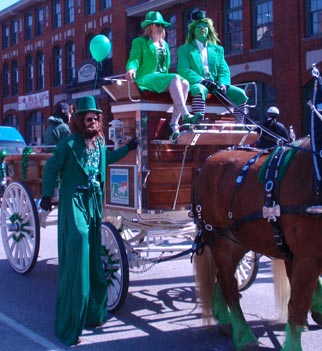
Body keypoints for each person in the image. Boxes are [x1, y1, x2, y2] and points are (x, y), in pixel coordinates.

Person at [39, 95, 138, 346]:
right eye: (88, 117)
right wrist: (47, 195)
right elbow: (51, 168)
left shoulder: (100, 143)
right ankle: (70, 321)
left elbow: (108, 160)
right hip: (74, 201)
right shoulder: (69, 144)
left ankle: (94, 314)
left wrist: (129, 148)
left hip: (94, 201)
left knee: (94, 255)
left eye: (95, 117)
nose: (93, 121)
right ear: (79, 120)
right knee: (81, 244)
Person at [125, 11, 201, 142]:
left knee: (185, 84)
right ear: (150, 27)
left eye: (162, 25)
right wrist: (131, 68)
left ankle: (174, 124)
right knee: (175, 78)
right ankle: (185, 115)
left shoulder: (165, 45)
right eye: (157, 24)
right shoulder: (140, 42)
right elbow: (134, 59)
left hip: (161, 78)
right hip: (146, 77)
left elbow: (165, 68)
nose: (160, 27)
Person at [177, 10, 248, 124]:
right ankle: (199, 123)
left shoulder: (218, 50)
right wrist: (201, 80)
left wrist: (223, 84)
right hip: (197, 84)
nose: (203, 28)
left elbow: (223, 70)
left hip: (216, 85)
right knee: (200, 89)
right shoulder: (185, 49)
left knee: (241, 94)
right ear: (193, 31)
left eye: (205, 26)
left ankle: (240, 124)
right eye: (199, 26)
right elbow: (183, 69)